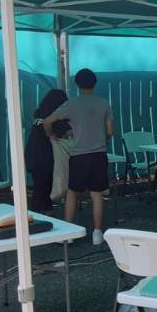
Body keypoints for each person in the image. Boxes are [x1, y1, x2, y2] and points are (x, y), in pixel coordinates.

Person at [43, 68, 114, 245]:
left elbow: (47, 121)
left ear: (77, 84)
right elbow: (110, 131)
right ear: (95, 83)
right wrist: (100, 140)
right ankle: (97, 233)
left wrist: (51, 136)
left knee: (72, 193)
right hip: (99, 154)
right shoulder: (104, 103)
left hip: (79, 156)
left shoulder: (72, 104)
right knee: (97, 195)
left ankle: (69, 234)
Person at [25, 89, 70, 214]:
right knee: (43, 190)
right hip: (45, 159)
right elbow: (68, 133)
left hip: (32, 156)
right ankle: (35, 220)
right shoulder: (54, 119)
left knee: (40, 189)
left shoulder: (39, 116)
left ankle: (43, 216)